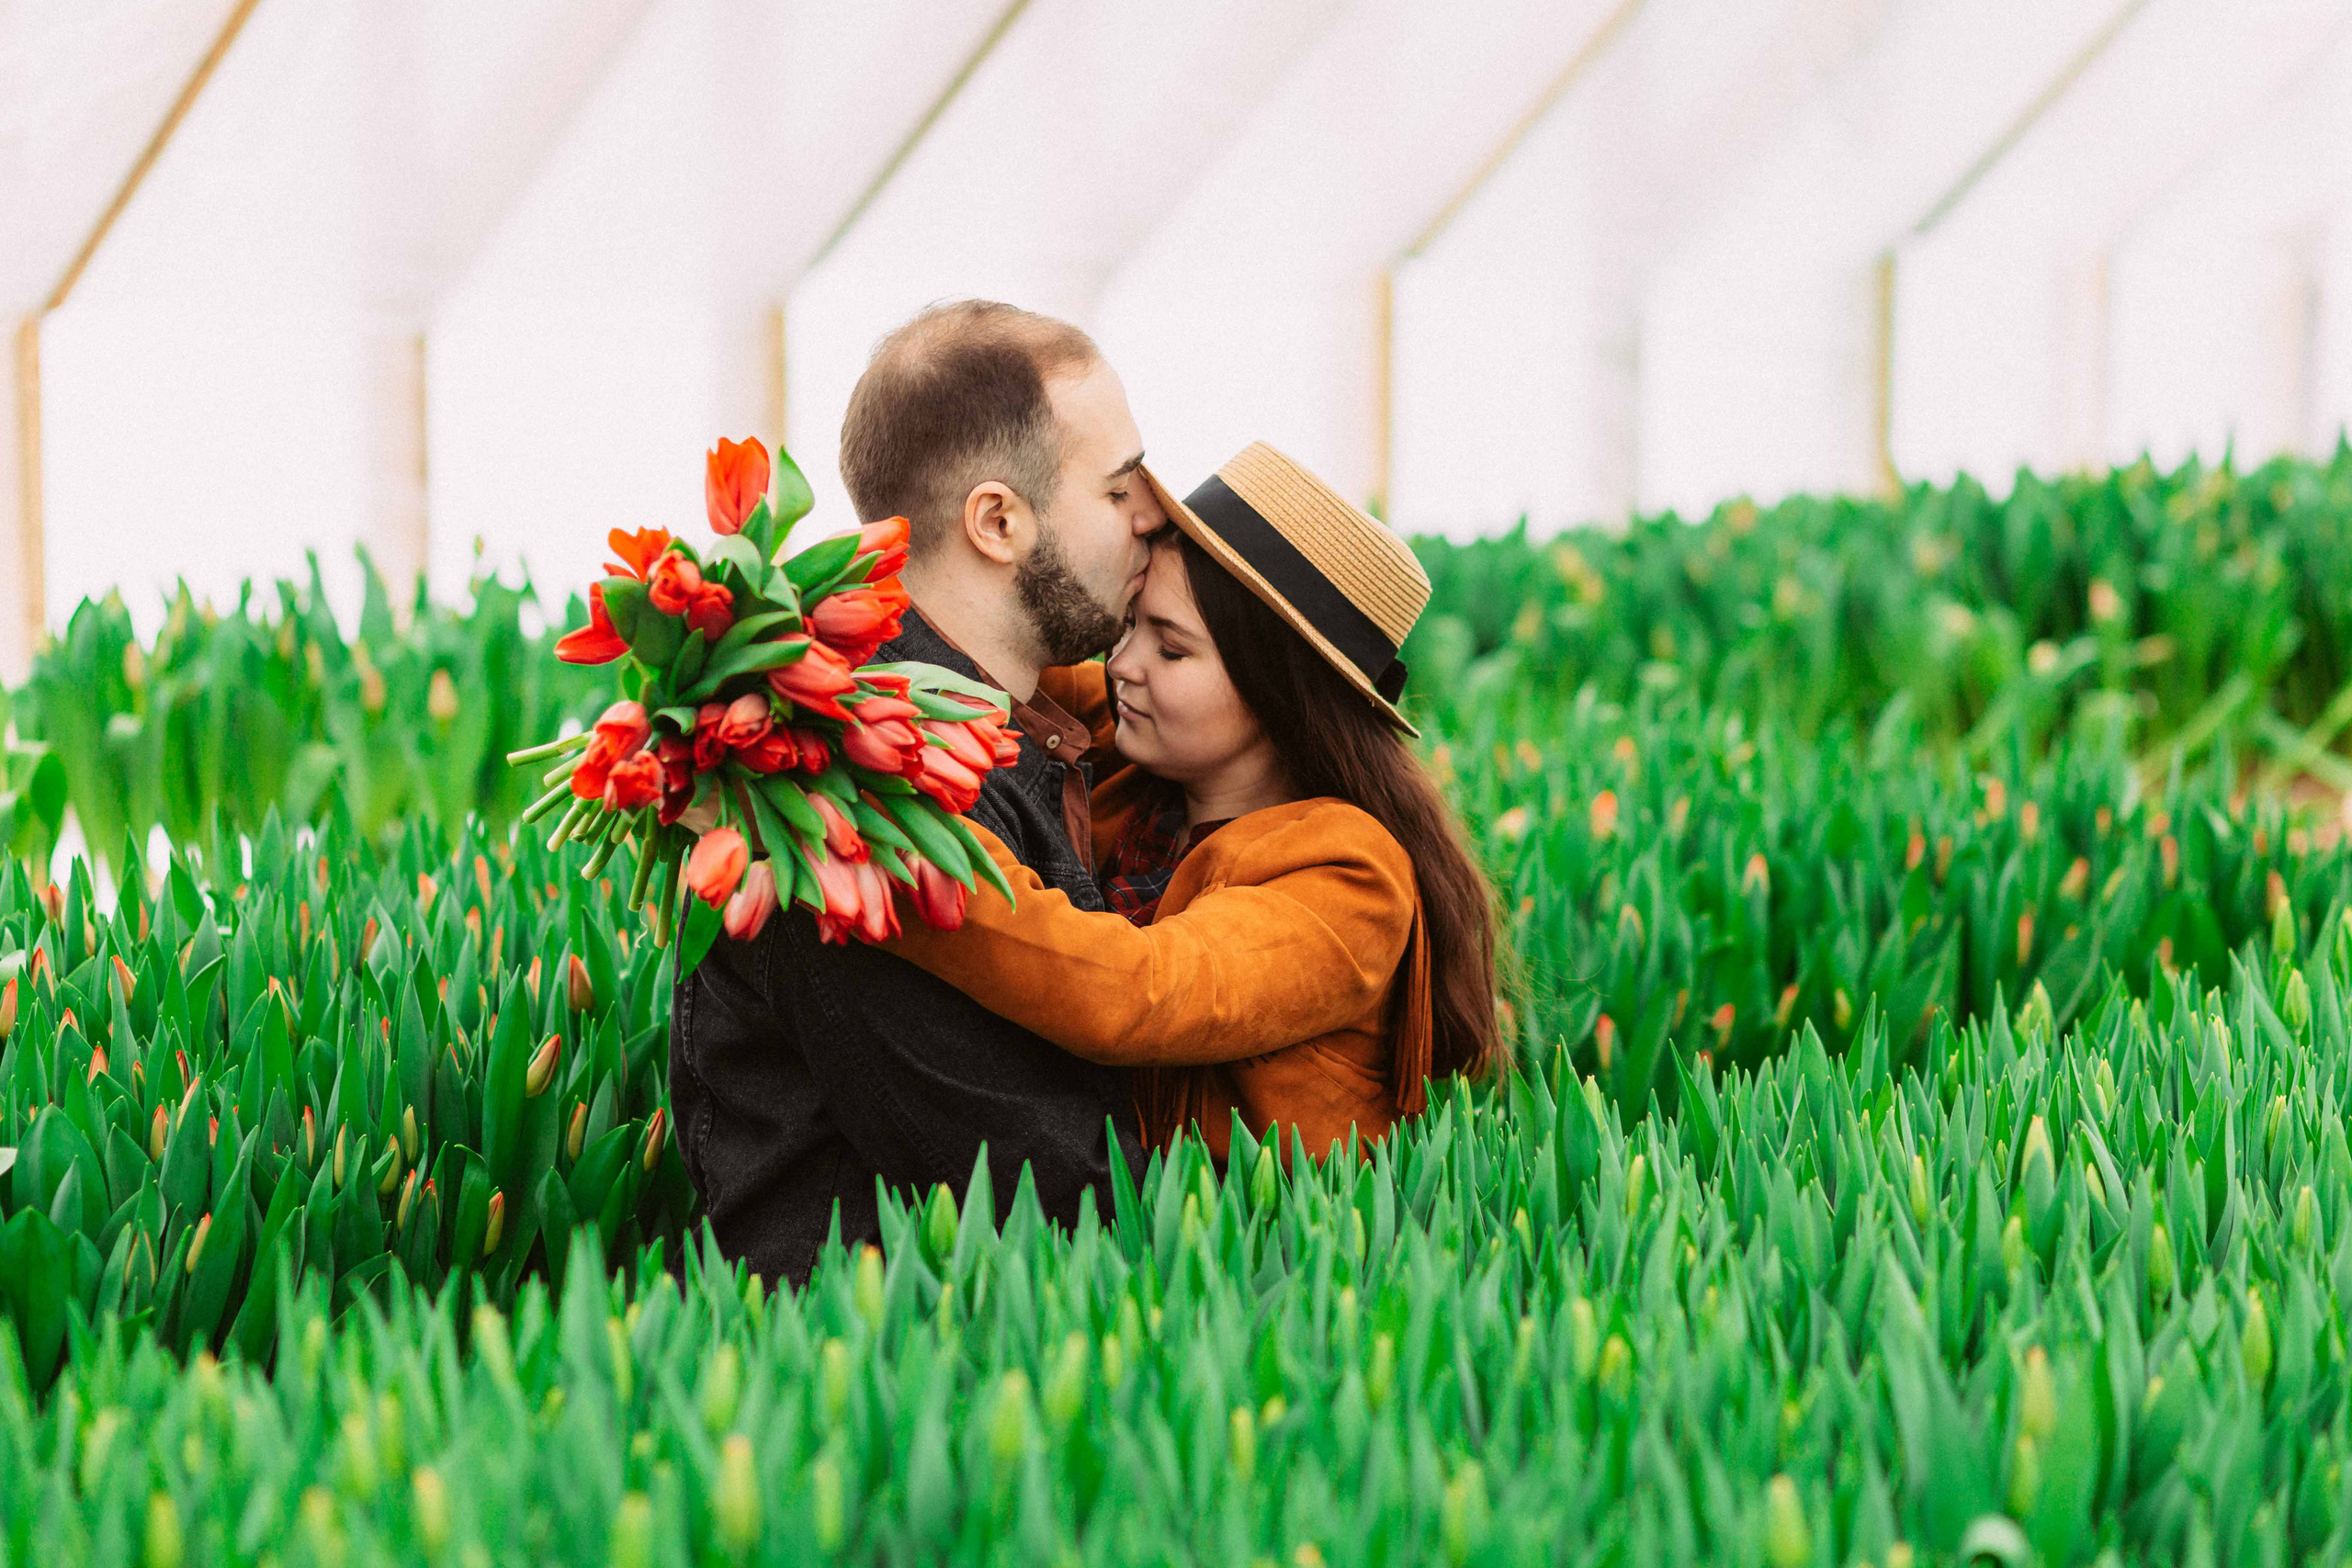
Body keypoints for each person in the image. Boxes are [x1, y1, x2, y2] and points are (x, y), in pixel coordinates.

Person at [669, 301, 1165, 1285]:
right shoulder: (841, 791)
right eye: (1118, 490)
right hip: (857, 1372)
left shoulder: (990, 731)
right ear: (996, 521)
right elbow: (1038, 1179)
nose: (1152, 515)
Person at [886, 443, 1503, 1162]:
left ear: (1278, 694)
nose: (1121, 665)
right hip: (1097, 1203)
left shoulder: (1349, 877)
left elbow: (1135, 993)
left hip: (1241, 1254)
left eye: (1171, 650)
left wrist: (906, 853)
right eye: (1129, 625)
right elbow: (977, 645)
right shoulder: (1141, 753)